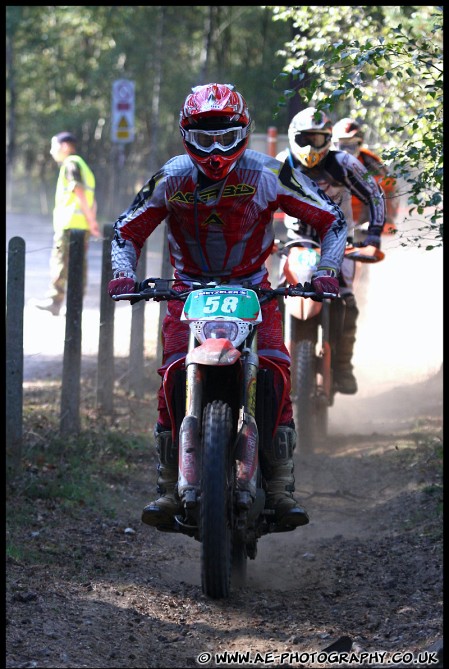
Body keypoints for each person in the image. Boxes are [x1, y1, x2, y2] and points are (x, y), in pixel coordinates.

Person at [108, 83, 348, 532]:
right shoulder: (173, 176)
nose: (215, 150)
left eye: (224, 136)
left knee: (276, 370)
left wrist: (328, 269)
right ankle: (165, 482)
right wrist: (123, 273)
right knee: (173, 374)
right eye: (204, 137)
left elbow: (331, 219)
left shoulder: (269, 173)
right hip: (188, 293)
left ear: (243, 132)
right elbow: (126, 229)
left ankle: (279, 483)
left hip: (255, 291)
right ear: (185, 134)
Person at [276, 107, 386, 395]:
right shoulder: (281, 165)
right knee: (272, 296)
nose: (313, 146)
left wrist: (373, 235)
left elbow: (375, 195)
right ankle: (268, 362)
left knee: (347, 300)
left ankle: (342, 365)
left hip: (341, 243)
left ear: (329, 139)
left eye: (319, 138)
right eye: (306, 139)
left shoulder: (344, 163)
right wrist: (258, 237)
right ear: (293, 138)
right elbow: (257, 203)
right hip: (296, 241)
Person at [34, 131, 100, 316]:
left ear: (64, 146)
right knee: (78, 266)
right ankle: (75, 306)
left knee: (60, 263)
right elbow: (92, 199)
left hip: (69, 225)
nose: (51, 151)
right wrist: (91, 220)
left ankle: (55, 301)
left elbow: (77, 190)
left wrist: (91, 219)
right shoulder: (83, 166)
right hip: (81, 226)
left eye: (53, 146)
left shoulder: (71, 163)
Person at [332, 117, 399, 235]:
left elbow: (391, 187)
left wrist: (388, 218)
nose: (347, 151)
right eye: (343, 146)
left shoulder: (370, 161)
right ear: (334, 144)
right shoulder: (324, 161)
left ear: (360, 143)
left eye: (351, 146)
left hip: (363, 221)